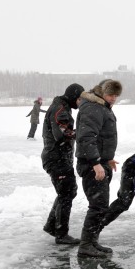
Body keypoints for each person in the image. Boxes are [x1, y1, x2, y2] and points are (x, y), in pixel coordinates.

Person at [75, 79, 122, 258]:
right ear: (102, 92)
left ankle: (92, 242)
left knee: (100, 205)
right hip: (91, 164)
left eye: (116, 95)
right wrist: (95, 163)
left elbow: (104, 137)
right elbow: (86, 137)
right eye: (111, 94)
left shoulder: (101, 107)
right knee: (98, 205)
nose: (114, 98)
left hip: (100, 162)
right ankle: (86, 245)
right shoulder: (93, 108)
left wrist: (107, 159)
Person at [41, 83, 85, 245]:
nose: (81, 103)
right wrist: (81, 134)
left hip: (59, 157)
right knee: (66, 193)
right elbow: (61, 133)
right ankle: (61, 234)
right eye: (80, 99)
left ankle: (52, 226)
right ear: (74, 97)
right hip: (56, 158)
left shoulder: (61, 107)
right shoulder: (61, 109)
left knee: (68, 191)